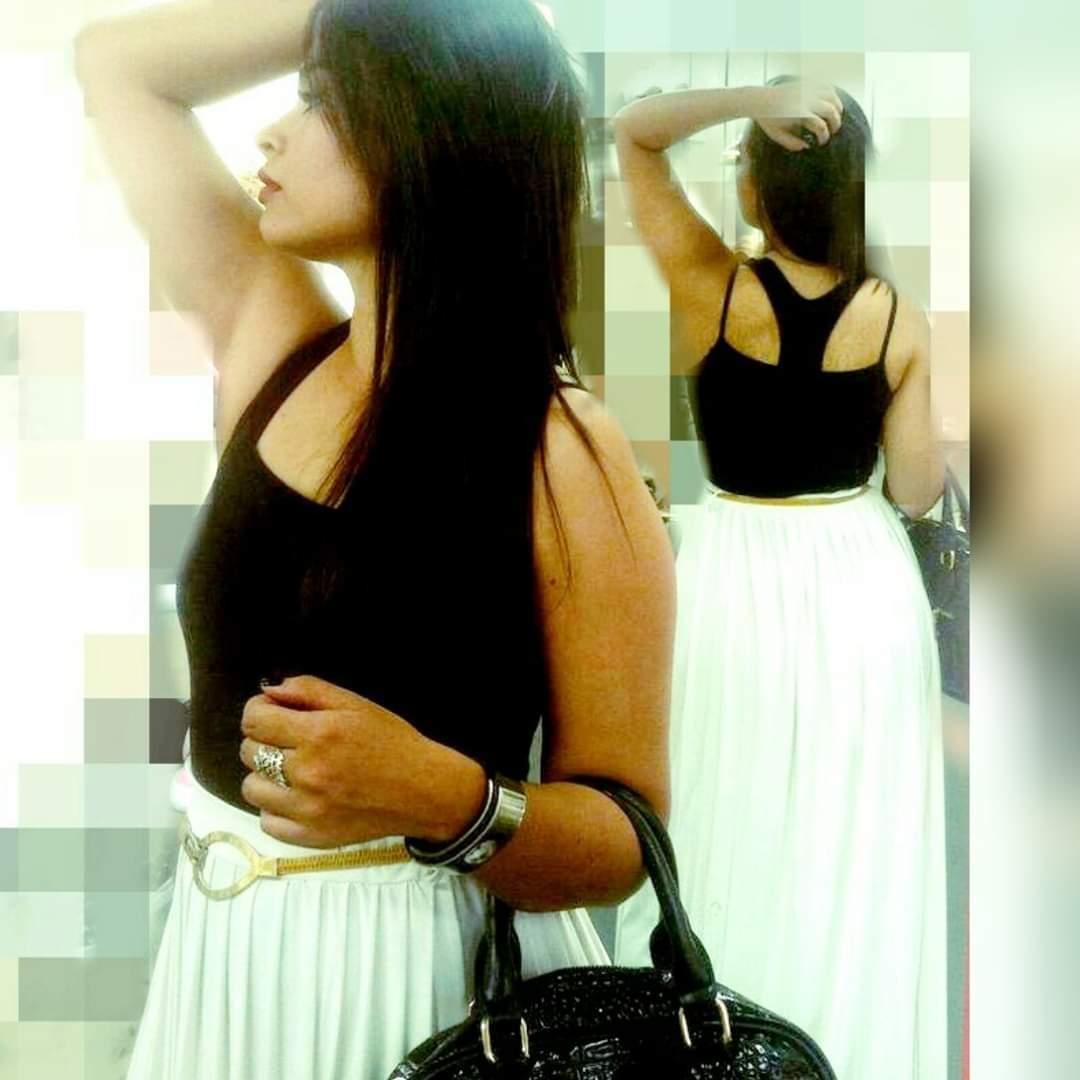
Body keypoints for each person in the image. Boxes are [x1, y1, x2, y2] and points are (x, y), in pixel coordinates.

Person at [74, 2, 675, 1077]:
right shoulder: (278, 342)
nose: (270, 132)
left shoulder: (558, 446)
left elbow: (628, 836)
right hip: (221, 953)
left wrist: (444, 795)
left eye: (321, 100)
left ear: (428, 134)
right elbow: (119, 64)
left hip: (423, 973)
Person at [610, 77, 946, 1078]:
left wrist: (754, 97)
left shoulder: (712, 282)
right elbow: (919, 489)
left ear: (757, 183)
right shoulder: (898, 317)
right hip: (860, 584)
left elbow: (635, 136)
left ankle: (710, 1047)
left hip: (731, 576)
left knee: (722, 815)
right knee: (850, 843)